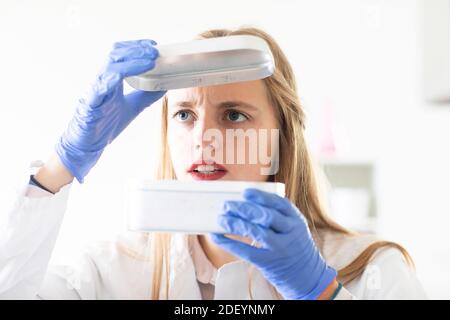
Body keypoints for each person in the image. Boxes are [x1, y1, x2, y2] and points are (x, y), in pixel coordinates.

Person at [0, 27, 427, 300]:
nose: (204, 137)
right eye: (184, 114)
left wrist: (321, 293)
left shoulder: (371, 270)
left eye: (234, 115)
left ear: (281, 138)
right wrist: (61, 166)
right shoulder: (110, 272)